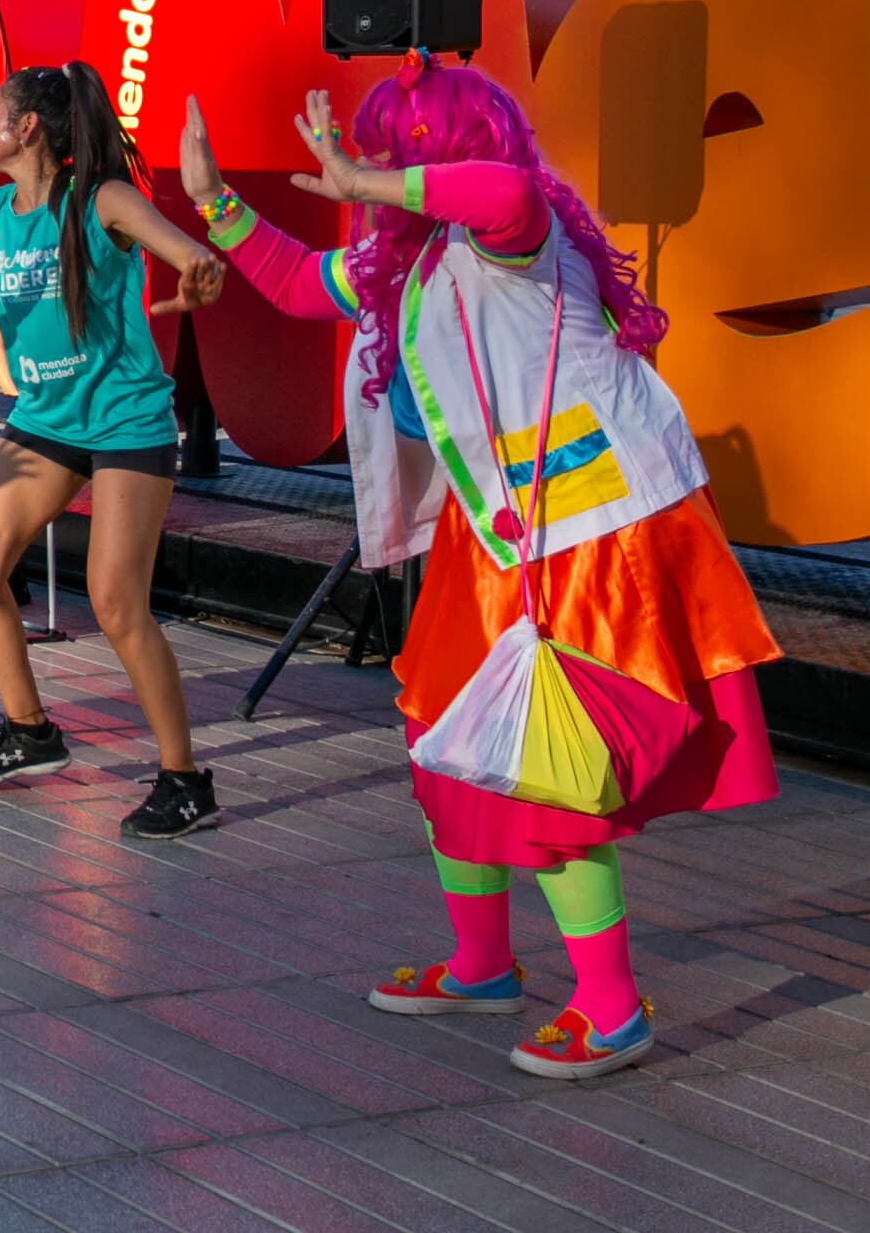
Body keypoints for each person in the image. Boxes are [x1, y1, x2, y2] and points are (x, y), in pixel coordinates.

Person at [181, 62, 781, 1079]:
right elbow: (292, 281)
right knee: (443, 735)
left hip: (596, 530)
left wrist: (369, 191)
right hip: (498, 536)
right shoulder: (413, 266)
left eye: (384, 147)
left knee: (546, 761)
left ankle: (611, 1004)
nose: (366, 165)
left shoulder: (518, 239)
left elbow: (504, 193)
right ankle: (482, 961)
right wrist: (210, 198)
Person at [0, 62, 229, 840]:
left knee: (118, 601)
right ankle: (30, 732)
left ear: (26, 128)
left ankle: (185, 780)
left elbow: (196, 259)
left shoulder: (101, 201)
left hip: (125, 421)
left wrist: (196, 280)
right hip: (48, 423)